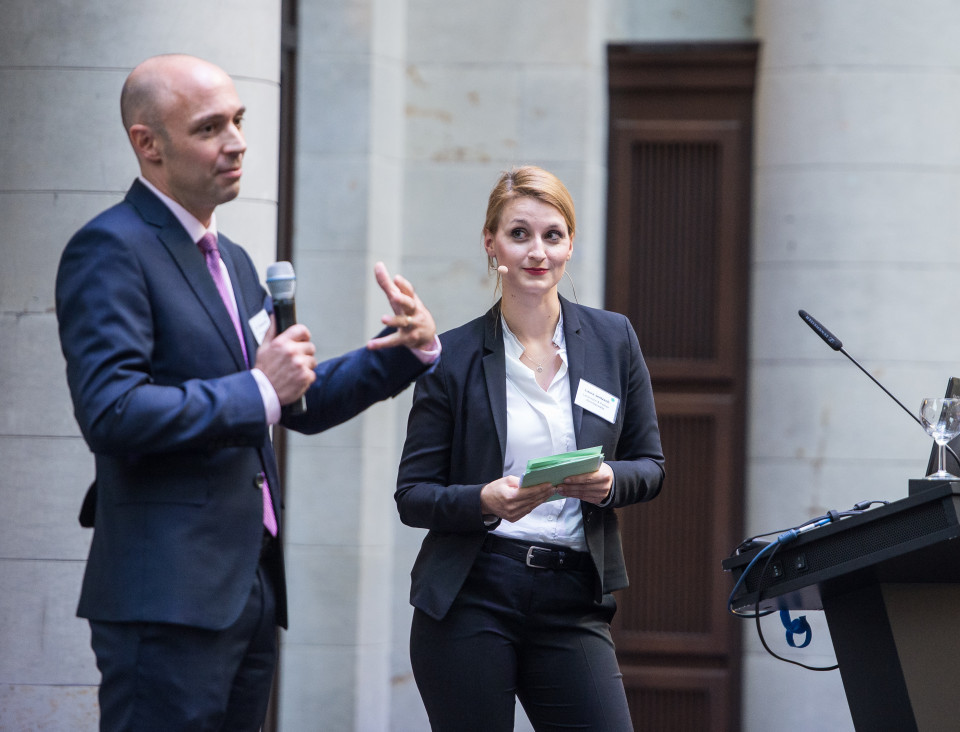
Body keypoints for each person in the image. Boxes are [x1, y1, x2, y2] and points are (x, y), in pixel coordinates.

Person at [55, 54, 439, 731]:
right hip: (166, 599)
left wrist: (405, 356)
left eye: (238, 120)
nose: (235, 142)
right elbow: (113, 412)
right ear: (149, 144)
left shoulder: (229, 260)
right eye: (209, 128)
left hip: (249, 589)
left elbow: (297, 401)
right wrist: (258, 387)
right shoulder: (110, 250)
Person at [395, 165, 665, 730]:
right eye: (519, 234)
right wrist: (484, 501)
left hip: (572, 595)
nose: (536, 251)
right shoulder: (454, 357)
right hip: (473, 591)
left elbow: (651, 466)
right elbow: (413, 496)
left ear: (570, 245)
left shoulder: (614, 339)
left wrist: (610, 482)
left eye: (552, 235)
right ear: (491, 244)